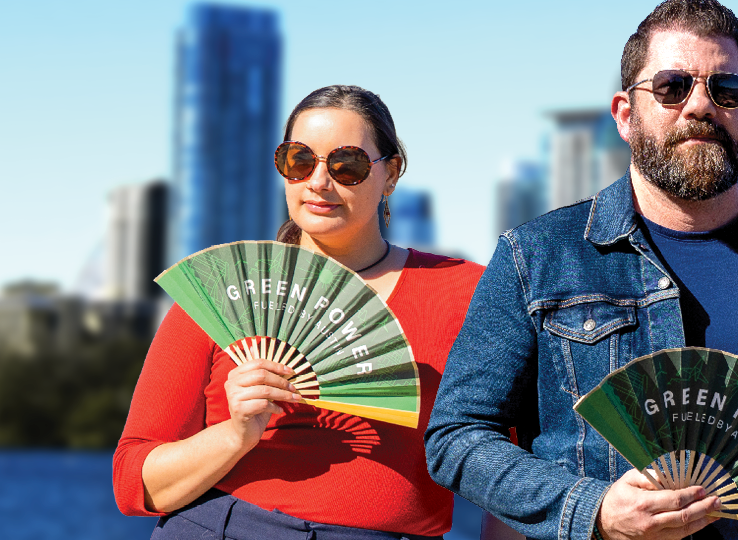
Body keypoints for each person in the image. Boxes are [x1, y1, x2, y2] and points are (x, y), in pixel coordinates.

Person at [423, 1, 738, 540]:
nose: (700, 107)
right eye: (672, 86)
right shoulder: (538, 255)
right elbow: (456, 436)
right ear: (624, 113)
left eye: (726, 89)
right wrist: (592, 510)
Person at [113, 85, 485, 540]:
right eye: (299, 161)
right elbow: (135, 483)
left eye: (348, 164)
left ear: (391, 174)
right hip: (220, 526)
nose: (318, 182)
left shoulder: (467, 291)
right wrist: (236, 434)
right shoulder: (223, 290)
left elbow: (519, 467)